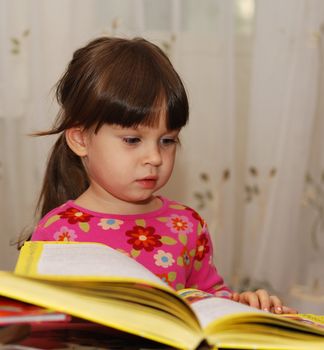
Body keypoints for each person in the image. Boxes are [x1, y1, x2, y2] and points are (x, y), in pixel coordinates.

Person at [25, 36, 296, 314]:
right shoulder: (57, 233)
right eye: (132, 140)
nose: (155, 157)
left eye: (167, 141)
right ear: (81, 140)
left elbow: (211, 304)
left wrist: (247, 306)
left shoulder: (187, 225)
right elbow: (41, 328)